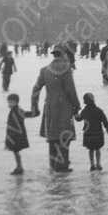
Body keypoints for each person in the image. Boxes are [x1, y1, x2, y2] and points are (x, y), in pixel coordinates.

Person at [31, 44, 80, 172]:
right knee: (64, 137)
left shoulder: (45, 70)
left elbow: (36, 89)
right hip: (64, 108)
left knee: (53, 138)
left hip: (50, 108)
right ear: (63, 54)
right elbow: (70, 90)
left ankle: (53, 165)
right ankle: (62, 166)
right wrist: (76, 106)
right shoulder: (66, 69)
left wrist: (34, 107)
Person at [76, 93, 108, 171]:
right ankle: (98, 164)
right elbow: (105, 122)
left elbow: (78, 119)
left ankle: (92, 165)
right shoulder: (99, 110)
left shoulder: (84, 111)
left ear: (85, 102)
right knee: (98, 149)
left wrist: (75, 112)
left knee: (91, 149)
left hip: (88, 134)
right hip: (98, 133)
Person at [4, 93, 38, 175]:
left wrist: (35, 111)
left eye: (10, 102)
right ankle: (19, 166)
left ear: (15, 102)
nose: (9, 104)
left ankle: (19, 167)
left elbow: (28, 114)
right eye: (8, 102)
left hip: (17, 136)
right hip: (14, 135)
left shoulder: (18, 110)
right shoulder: (13, 110)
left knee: (16, 151)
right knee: (15, 152)